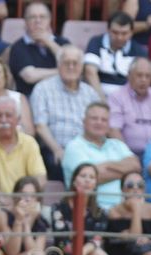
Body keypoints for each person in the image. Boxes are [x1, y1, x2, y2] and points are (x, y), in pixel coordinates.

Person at [31, 46, 101, 179]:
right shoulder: (43, 89)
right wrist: (57, 149)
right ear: (58, 65)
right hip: (56, 149)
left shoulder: (90, 93)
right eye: (66, 63)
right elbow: (40, 126)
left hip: (87, 149)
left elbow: (99, 124)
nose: (71, 67)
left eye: (75, 63)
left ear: (81, 67)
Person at [64, 99, 140, 208]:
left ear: (109, 124)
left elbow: (136, 166)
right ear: (84, 121)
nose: (99, 122)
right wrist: (124, 170)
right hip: (90, 209)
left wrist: (107, 165)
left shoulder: (117, 144)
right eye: (94, 118)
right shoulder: (74, 146)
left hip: (124, 209)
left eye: (104, 120)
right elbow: (88, 179)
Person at [48, 160, 113, 255]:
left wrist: (82, 253)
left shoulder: (100, 212)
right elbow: (62, 241)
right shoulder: (58, 209)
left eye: (92, 177)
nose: (87, 180)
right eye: (83, 176)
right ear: (74, 181)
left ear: (95, 185)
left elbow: (96, 240)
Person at [0, 95, 44, 193]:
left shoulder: (29, 142)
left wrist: (22, 198)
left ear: (18, 119)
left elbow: (40, 177)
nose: (3, 120)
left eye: (8, 115)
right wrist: (2, 199)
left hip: (22, 202)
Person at [5, 1, 62, 96]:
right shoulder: (18, 47)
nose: (38, 21)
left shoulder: (62, 42)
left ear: (49, 20)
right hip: (30, 97)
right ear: (25, 22)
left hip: (61, 94)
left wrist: (49, 43)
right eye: (33, 17)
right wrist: (63, 72)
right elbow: (30, 76)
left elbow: (72, 62)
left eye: (42, 17)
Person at [84, 11, 147, 92]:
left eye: (124, 33)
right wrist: (102, 101)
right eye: (115, 32)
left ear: (131, 33)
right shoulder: (96, 42)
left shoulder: (139, 51)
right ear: (108, 30)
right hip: (99, 95)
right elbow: (90, 72)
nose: (119, 37)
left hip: (127, 98)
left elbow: (141, 81)